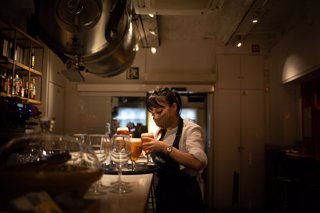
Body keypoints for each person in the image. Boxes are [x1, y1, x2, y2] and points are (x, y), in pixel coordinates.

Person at [143, 87, 208, 213]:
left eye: (159, 111)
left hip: (185, 198)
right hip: (164, 194)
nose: (155, 117)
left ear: (174, 107)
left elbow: (197, 163)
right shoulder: (161, 132)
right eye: (153, 114)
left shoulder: (191, 130)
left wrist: (163, 147)